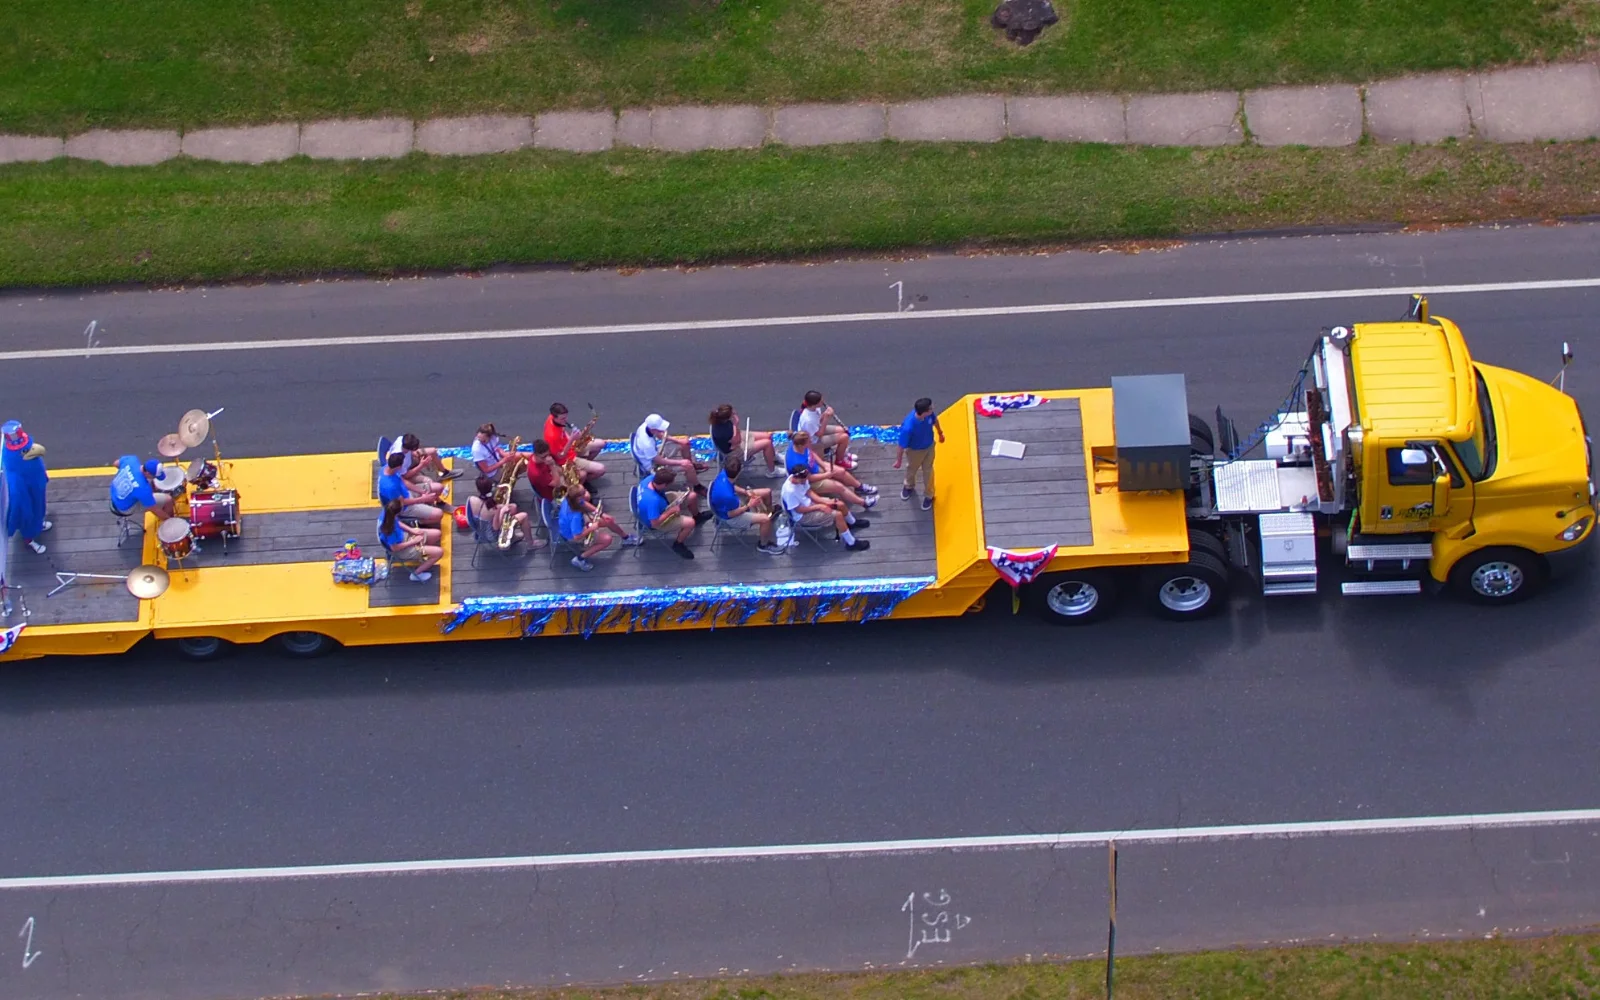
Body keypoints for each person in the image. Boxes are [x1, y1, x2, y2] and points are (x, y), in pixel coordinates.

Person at [781, 465, 870, 552]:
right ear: (796, 478)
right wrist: (819, 506)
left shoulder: (802, 478)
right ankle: (851, 543)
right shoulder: (790, 491)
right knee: (837, 515)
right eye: (803, 480)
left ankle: (852, 523)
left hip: (810, 504)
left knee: (840, 504)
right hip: (802, 516)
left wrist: (824, 502)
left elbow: (809, 492)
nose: (805, 481)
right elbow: (798, 510)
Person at [709, 458, 783, 555]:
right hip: (731, 517)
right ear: (739, 472)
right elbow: (731, 514)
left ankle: (769, 512)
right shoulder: (728, 497)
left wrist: (745, 492)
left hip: (735, 503)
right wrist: (749, 505)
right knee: (765, 519)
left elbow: (732, 486)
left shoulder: (724, 474)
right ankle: (763, 545)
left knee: (767, 492)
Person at [785, 431, 877, 509]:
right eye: (808, 442)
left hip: (815, 468)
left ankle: (859, 487)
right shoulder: (797, 462)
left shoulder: (799, 444)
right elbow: (809, 478)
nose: (810, 442)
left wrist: (823, 464)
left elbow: (811, 452)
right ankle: (863, 503)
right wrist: (827, 475)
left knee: (841, 471)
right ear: (801, 445)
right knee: (839, 487)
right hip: (808, 482)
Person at [559, 483, 639, 570]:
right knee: (607, 540)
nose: (586, 491)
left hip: (581, 523)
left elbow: (584, 503)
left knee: (608, 520)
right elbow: (577, 536)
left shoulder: (570, 499)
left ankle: (626, 538)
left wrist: (601, 514)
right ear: (578, 498)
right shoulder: (575, 517)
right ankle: (580, 559)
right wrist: (592, 528)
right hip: (573, 534)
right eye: (584, 492)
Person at [636, 468, 708, 560]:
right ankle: (678, 544)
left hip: (662, 502)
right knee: (690, 523)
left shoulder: (650, 479)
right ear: (663, 485)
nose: (671, 485)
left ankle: (697, 516)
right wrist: (671, 511)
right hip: (657, 519)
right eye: (669, 484)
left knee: (692, 496)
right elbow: (655, 523)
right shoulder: (652, 501)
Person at [2, 421, 51, 554]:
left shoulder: (30, 460)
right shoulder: (13, 474)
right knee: (28, 515)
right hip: (26, 500)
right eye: (26, 449)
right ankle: (29, 540)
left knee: (39, 507)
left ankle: (39, 523)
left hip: (36, 490)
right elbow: (17, 500)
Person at [894, 397, 945, 511]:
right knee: (912, 469)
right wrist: (898, 461)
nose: (933, 409)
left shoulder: (929, 415)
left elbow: (935, 421)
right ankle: (909, 486)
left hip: (929, 447)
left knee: (928, 471)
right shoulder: (908, 427)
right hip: (915, 452)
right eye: (930, 409)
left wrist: (940, 433)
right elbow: (901, 446)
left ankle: (929, 495)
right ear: (924, 412)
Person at [468, 475, 543, 550]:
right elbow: (496, 527)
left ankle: (512, 537)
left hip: (479, 532)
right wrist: (502, 511)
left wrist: (501, 508)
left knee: (513, 507)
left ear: (478, 490)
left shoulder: (471, 499)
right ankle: (531, 544)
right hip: (492, 538)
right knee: (524, 516)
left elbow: (469, 517)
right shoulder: (493, 509)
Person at [708, 404, 783, 478]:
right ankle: (772, 471)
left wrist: (734, 428)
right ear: (727, 418)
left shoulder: (719, 421)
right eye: (732, 413)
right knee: (767, 443)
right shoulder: (725, 432)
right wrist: (736, 424)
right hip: (734, 451)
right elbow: (737, 442)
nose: (734, 412)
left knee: (768, 436)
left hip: (736, 436)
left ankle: (772, 457)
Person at [377, 498, 442, 582]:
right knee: (439, 552)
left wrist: (412, 530)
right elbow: (395, 548)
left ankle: (423, 556)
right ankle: (416, 574)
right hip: (402, 550)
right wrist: (413, 542)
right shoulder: (390, 531)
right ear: (398, 513)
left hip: (405, 537)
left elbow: (398, 522)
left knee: (437, 534)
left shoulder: (388, 513)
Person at [631, 413, 704, 489]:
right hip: (653, 465)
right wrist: (681, 462)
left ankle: (690, 470)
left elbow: (660, 436)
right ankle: (697, 486)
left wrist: (679, 441)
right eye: (660, 429)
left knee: (684, 444)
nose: (662, 430)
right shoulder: (647, 444)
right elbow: (659, 461)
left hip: (655, 453)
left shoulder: (646, 425)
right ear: (653, 430)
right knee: (687, 466)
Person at [378, 451, 444, 527]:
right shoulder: (391, 487)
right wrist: (423, 499)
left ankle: (425, 507)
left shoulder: (387, 468)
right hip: (404, 507)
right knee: (439, 514)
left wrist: (422, 491)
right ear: (398, 467)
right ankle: (415, 522)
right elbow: (403, 502)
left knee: (439, 488)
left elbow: (404, 482)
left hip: (407, 493)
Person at [544, 403, 606, 482]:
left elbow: (562, 431)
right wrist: (571, 439)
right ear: (554, 417)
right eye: (563, 418)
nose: (565, 420)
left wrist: (571, 437)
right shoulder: (552, 435)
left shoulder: (552, 419)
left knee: (601, 443)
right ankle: (579, 481)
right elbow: (560, 456)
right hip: (567, 459)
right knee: (601, 469)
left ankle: (584, 468)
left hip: (570, 448)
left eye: (566, 417)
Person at [109, 455, 175, 523]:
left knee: (150, 484)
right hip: (124, 508)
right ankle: (170, 524)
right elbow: (155, 510)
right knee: (168, 500)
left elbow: (115, 463)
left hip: (114, 493)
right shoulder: (143, 489)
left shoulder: (131, 460)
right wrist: (168, 520)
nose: (155, 478)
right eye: (154, 476)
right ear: (148, 473)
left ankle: (150, 498)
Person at [795, 390, 854, 466]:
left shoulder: (814, 409)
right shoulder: (808, 420)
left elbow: (818, 421)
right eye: (821, 401)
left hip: (817, 429)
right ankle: (840, 460)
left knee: (843, 430)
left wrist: (825, 414)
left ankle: (842, 452)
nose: (823, 402)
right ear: (814, 404)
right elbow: (819, 434)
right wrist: (826, 417)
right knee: (844, 437)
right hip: (814, 441)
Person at [388, 432, 460, 493]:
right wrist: (421, 465)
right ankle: (437, 501)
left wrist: (413, 453)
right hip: (406, 472)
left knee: (432, 451)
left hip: (410, 459)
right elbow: (406, 475)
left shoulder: (402, 439)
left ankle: (445, 472)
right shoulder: (400, 459)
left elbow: (409, 451)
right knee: (429, 481)